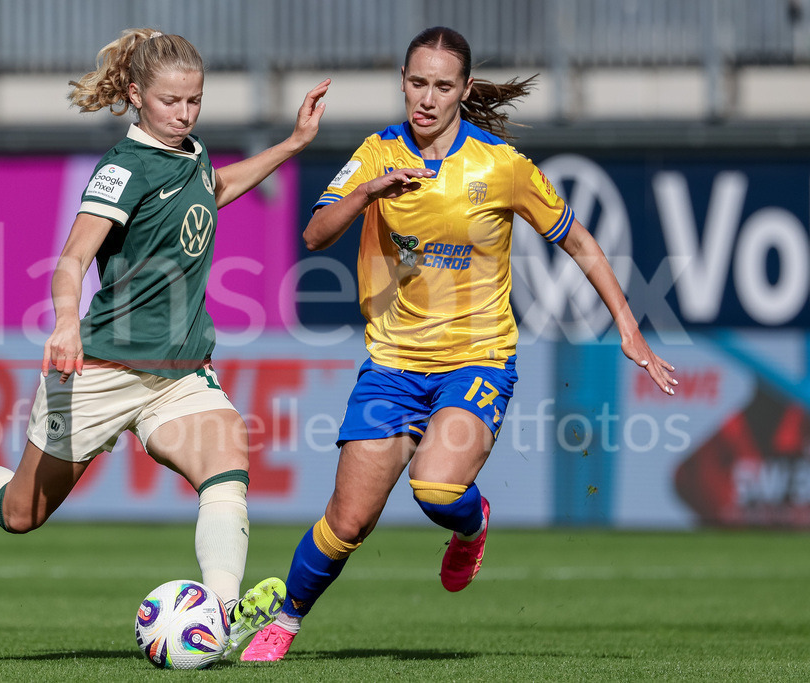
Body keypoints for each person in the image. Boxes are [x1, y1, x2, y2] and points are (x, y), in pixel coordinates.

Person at [241, 26, 678, 662]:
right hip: (392, 364)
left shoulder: (501, 166)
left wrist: (630, 329)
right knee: (348, 520)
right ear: (402, 80)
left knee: (437, 489)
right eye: (417, 83)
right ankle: (286, 620)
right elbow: (314, 235)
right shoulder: (375, 152)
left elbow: (580, 243)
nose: (427, 98)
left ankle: (471, 527)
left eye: (442, 86)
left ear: (463, 90)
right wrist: (368, 191)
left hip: (478, 358)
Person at [0, 28, 329, 656]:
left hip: (181, 371)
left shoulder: (189, 153)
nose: (185, 113)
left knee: (227, 472)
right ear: (136, 95)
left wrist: (293, 144)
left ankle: (218, 614)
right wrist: (64, 321)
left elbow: (212, 190)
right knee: (22, 512)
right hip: (100, 366)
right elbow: (73, 257)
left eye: (195, 101)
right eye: (171, 102)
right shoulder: (123, 168)